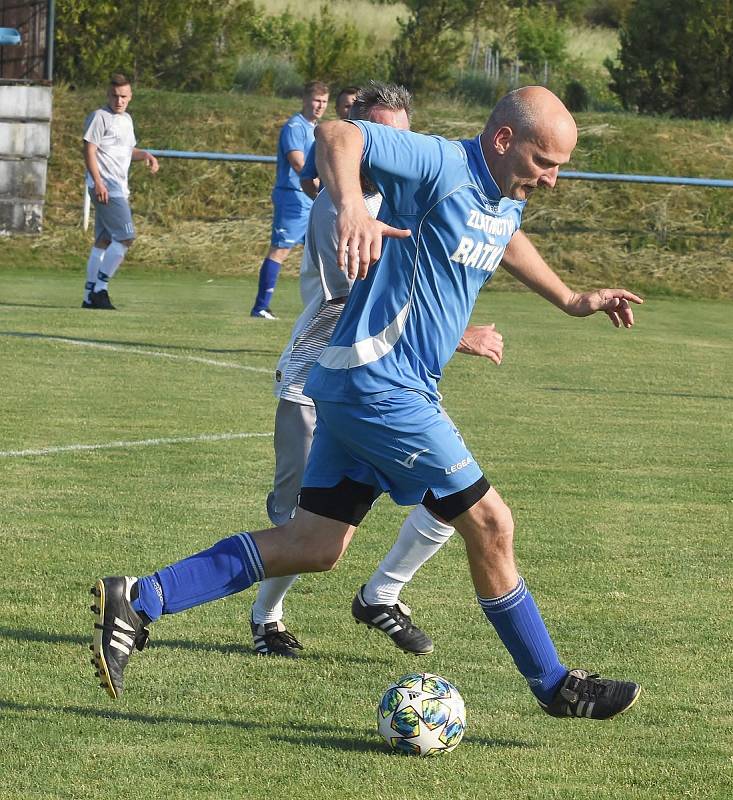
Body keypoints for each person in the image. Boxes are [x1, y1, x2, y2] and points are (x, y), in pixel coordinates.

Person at [90, 87, 644, 723]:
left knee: (315, 543)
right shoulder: (441, 163)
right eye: (546, 162)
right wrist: (351, 205)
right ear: (503, 140)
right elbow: (335, 135)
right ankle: (555, 685)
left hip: (366, 386)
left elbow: (503, 238)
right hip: (381, 383)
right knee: (491, 524)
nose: (552, 180)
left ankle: (139, 598)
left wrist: (573, 299)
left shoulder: (501, 199)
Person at [251, 82, 505, 659]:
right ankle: (267, 616)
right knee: (299, 522)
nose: (391, 146)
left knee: (453, 491)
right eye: (378, 134)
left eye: (401, 135)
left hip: (383, 379)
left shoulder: (412, 198)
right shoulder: (337, 205)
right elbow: (357, 298)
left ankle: (383, 594)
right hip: (316, 376)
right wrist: (459, 334)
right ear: (358, 138)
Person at [249, 80, 330, 320]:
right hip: (294, 197)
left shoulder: (314, 128)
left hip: (310, 199)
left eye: (324, 102)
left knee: (321, 254)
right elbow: (298, 163)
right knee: (280, 249)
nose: (320, 106)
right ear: (305, 100)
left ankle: (325, 307)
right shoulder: (295, 126)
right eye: (316, 100)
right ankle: (260, 306)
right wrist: (321, 186)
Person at [81, 74, 159, 310]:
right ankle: (100, 290)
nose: (119, 100)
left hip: (117, 187)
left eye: (123, 96)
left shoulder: (126, 120)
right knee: (126, 237)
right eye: (115, 96)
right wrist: (98, 181)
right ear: (108, 95)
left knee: (103, 241)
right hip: (107, 188)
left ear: (130, 97)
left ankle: (88, 295)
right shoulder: (99, 117)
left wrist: (145, 155)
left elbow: (127, 150)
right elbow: (89, 149)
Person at [300, 86, 359, 200]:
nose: (352, 111)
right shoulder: (326, 139)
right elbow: (306, 179)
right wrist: (322, 203)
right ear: (337, 109)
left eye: (355, 106)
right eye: (347, 106)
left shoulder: (373, 139)